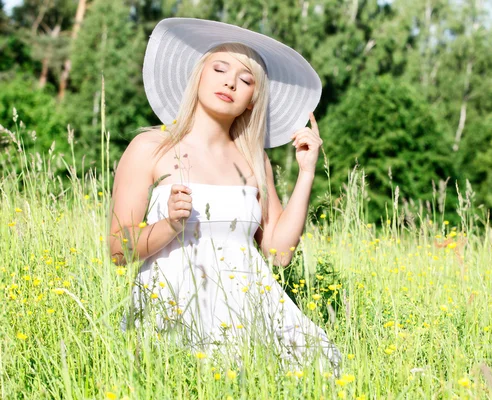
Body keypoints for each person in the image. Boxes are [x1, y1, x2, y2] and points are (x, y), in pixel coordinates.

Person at [108, 18, 341, 373]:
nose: (230, 81)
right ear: (198, 76)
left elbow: (279, 254)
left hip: (249, 314)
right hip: (172, 311)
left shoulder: (253, 160)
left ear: (252, 101)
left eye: (246, 79)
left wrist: (306, 171)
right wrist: (170, 224)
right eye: (219, 68)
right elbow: (118, 250)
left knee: (321, 371)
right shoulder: (150, 147)